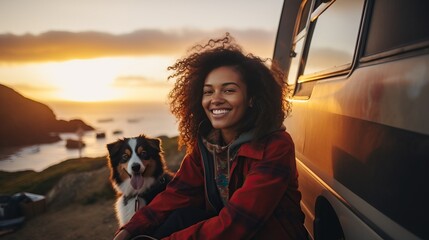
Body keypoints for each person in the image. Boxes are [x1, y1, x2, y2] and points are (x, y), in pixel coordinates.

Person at [114, 33, 308, 240]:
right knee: (178, 216)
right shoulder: (208, 145)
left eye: (229, 90)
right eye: (208, 92)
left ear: (251, 98)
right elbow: (178, 193)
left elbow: (239, 223)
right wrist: (130, 229)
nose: (215, 99)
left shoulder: (275, 146)